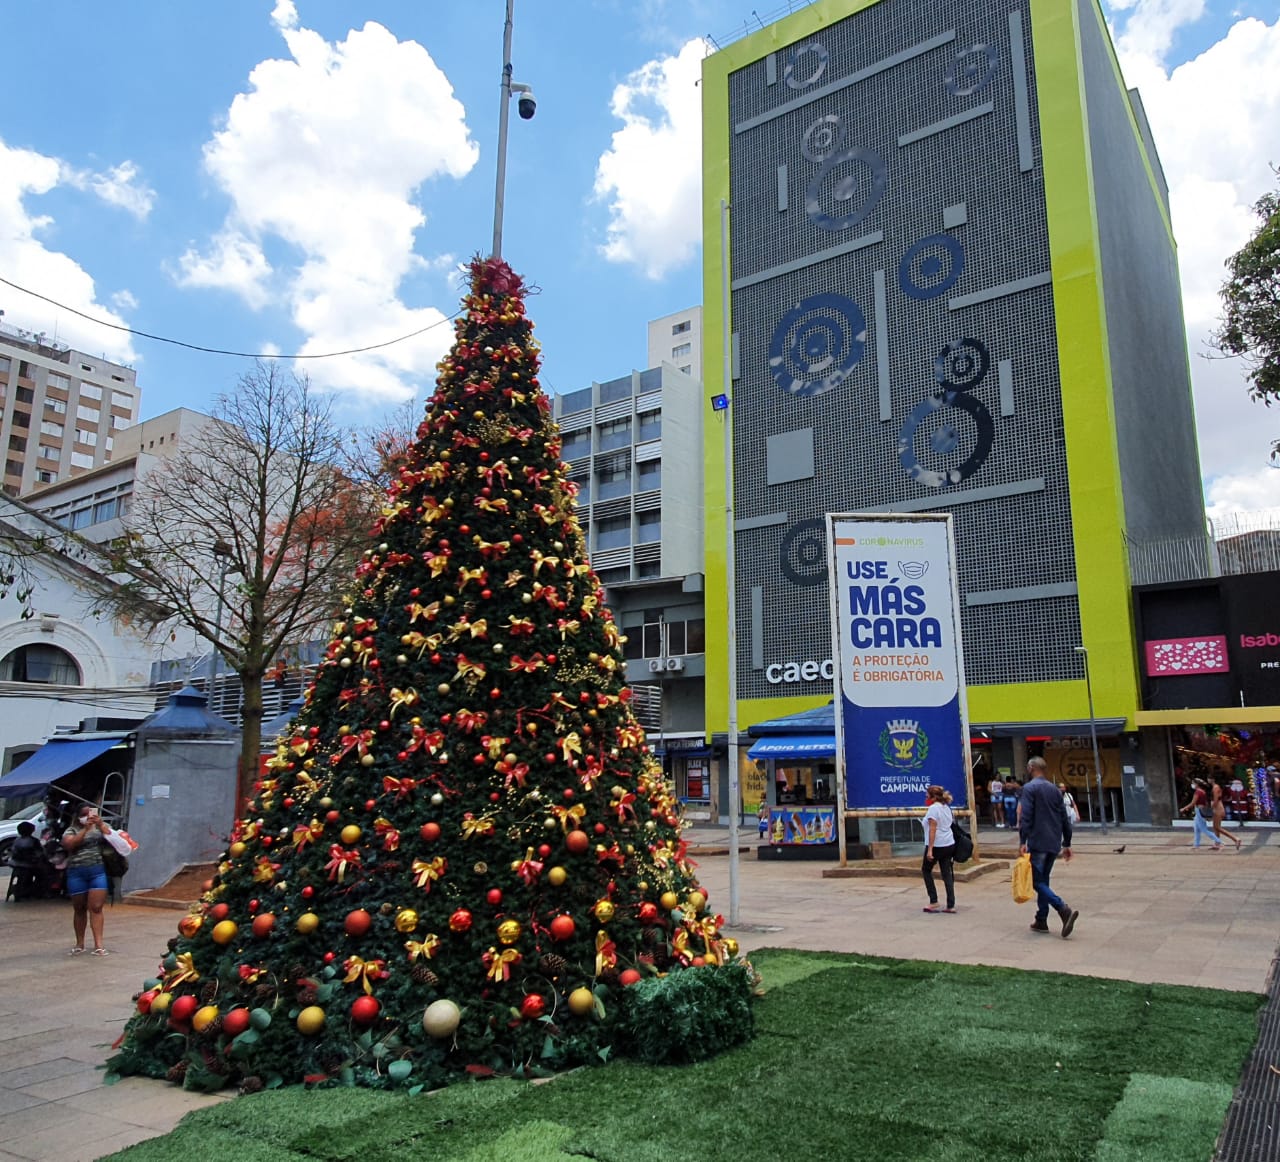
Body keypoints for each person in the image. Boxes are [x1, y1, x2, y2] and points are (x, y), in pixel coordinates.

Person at [1019, 756, 1079, 937]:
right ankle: (1041, 919)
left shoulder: (1029, 788)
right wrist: (1067, 842)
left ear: (1031, 768)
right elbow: (1064, 818)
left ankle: (1062, 908)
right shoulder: (1054, 789)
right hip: (1053, 841)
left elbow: (1026, 816)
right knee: (1043, 880)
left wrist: (1023, 840)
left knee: (1036, 881)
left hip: (1038, 841)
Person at [61, 803, 114, 955]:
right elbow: (70, 844)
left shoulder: (100, 827)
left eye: (89, 813)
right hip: (76, 872)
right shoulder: (72, 830)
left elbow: (112, 837)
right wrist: (85, 829)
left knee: (96, 907)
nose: (87, 817)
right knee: (79, 908)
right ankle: (80, 943)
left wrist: (99, 824)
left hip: (97, 871)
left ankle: (99, 944)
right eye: (84, 814)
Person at [921, 785, 957, 914]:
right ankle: (951, 904)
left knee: (926, 870)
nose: (926, 797)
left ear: (933, 796)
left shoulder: (933, 809)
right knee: (946, 873)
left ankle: (933, 900)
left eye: (927, 795)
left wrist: (930, 849)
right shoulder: (946, 807)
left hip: (937, 844)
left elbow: (932, 829)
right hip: (949, 843)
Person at [7, 821, 49, 900]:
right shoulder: (33, 841)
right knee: (43, 873)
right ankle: (36, 891)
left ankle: (25, 890)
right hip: (28, 864)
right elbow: (40, 853)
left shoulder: (17, 840)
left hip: (16, 863)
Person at [1179, 779, 1221, 850]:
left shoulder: (1197, 792)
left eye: (1193, 783)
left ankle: (1218, 841)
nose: (1192, 785)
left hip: (1199, 811)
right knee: (1196, 829)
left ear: (1196, 784)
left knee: (1203, 829)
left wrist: (1184, 808)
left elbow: (1193, 803)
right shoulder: (1203, 792)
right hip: (1201, 810)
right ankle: (1196, 844)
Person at [1210, 781, 1242, 850]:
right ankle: (1217, 843)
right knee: (1215, 827)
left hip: (1218, 809)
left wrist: (1211, 808)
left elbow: (1215, 800)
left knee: (1217, 827)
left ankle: (1235, 839)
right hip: (1218, 808)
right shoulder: (1217, 787)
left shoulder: (1215, 787)